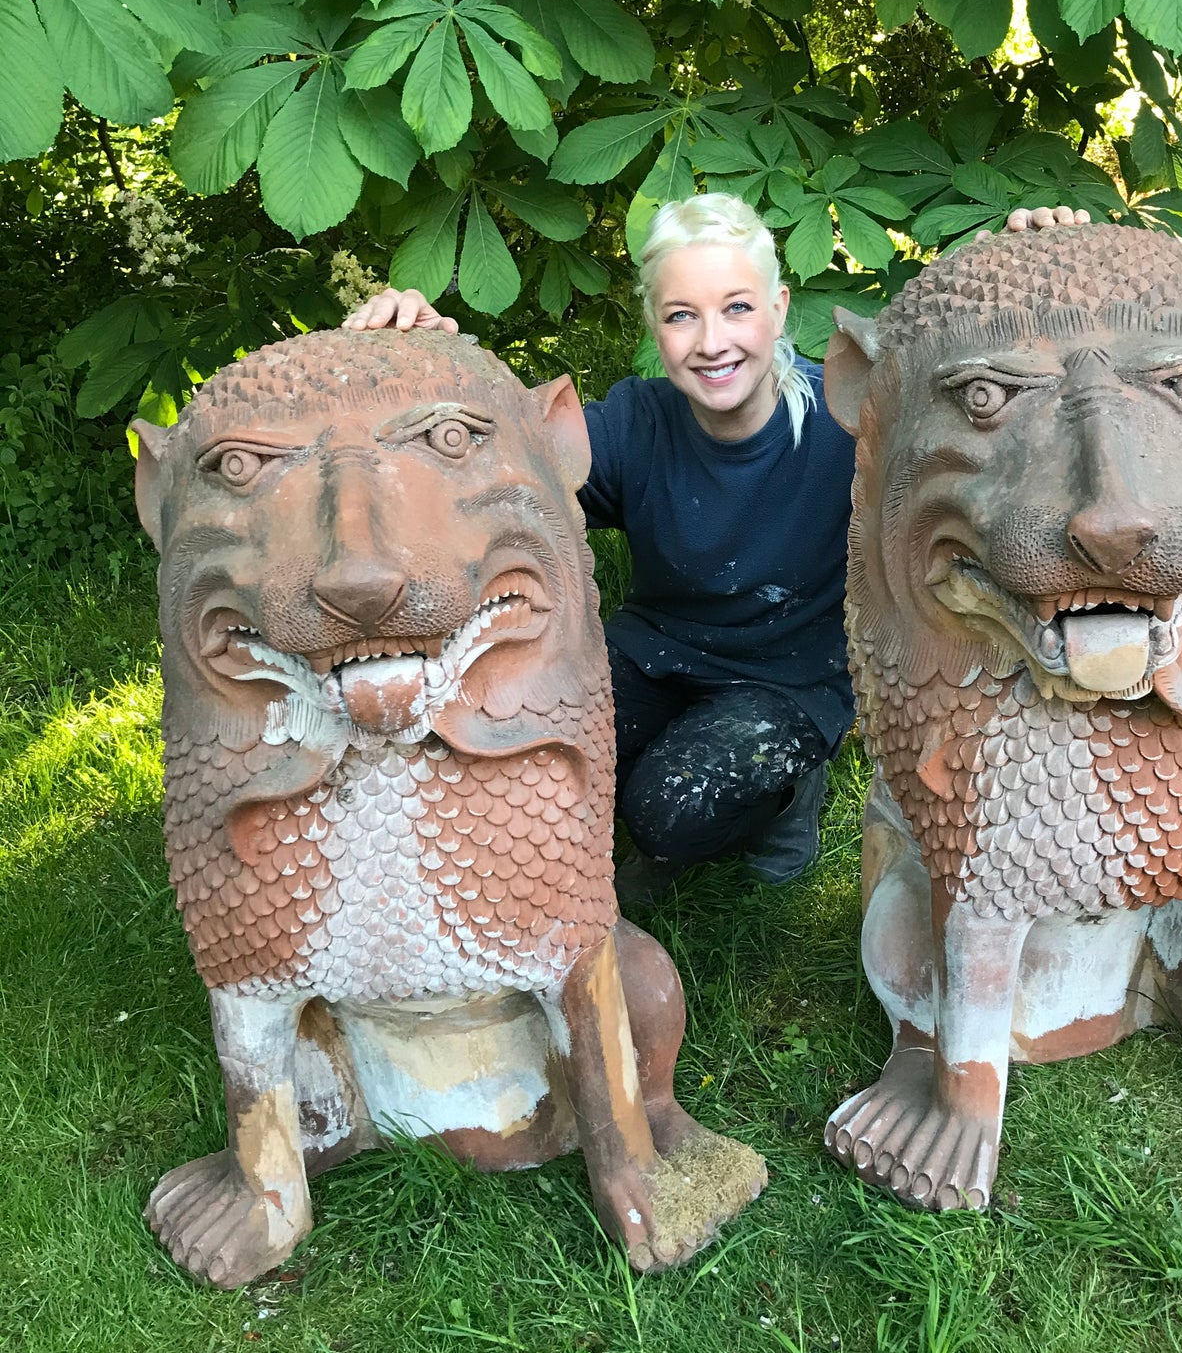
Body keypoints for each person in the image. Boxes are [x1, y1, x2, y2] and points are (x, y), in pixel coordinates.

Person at [347, 197, 1089, 901]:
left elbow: (987, 412)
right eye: (680, 316)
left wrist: (1035, 273)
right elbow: (492, 466)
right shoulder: (637, 423)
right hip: (653, 654)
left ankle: (786, 796)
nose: (711, 341)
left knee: (666, 809)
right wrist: (424, 365)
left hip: (789, 681)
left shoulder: (853, 426)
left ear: (778, 311)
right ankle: (660, 763)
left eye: (737, 307)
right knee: (524, 746)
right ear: (654, 325)